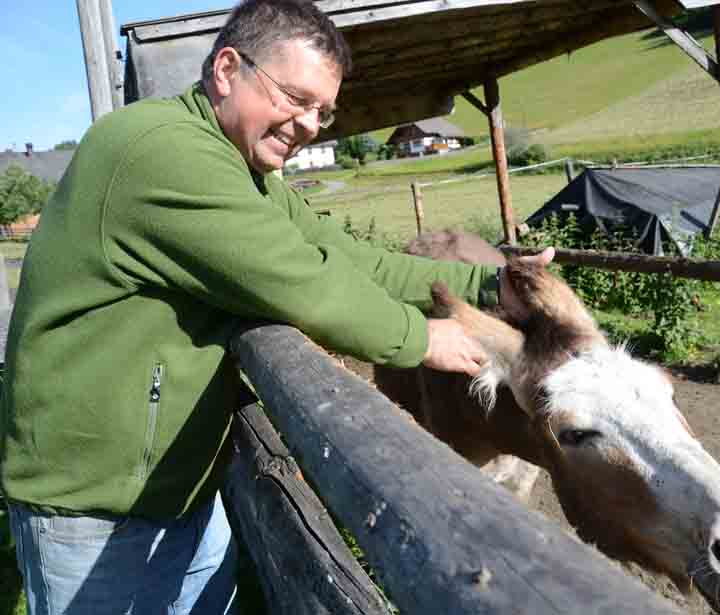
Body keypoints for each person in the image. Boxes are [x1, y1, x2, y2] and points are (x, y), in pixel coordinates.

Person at [0, 1, 554, 613]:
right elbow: (304, 284)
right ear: (227, 68)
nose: (313, 124)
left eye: (325, 110)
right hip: (96, 504)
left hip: (174, 485)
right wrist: (426, 339)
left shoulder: (246, 172)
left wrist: (486, 286)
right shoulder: (161, 153)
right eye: (297, 98)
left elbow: (348, 258)